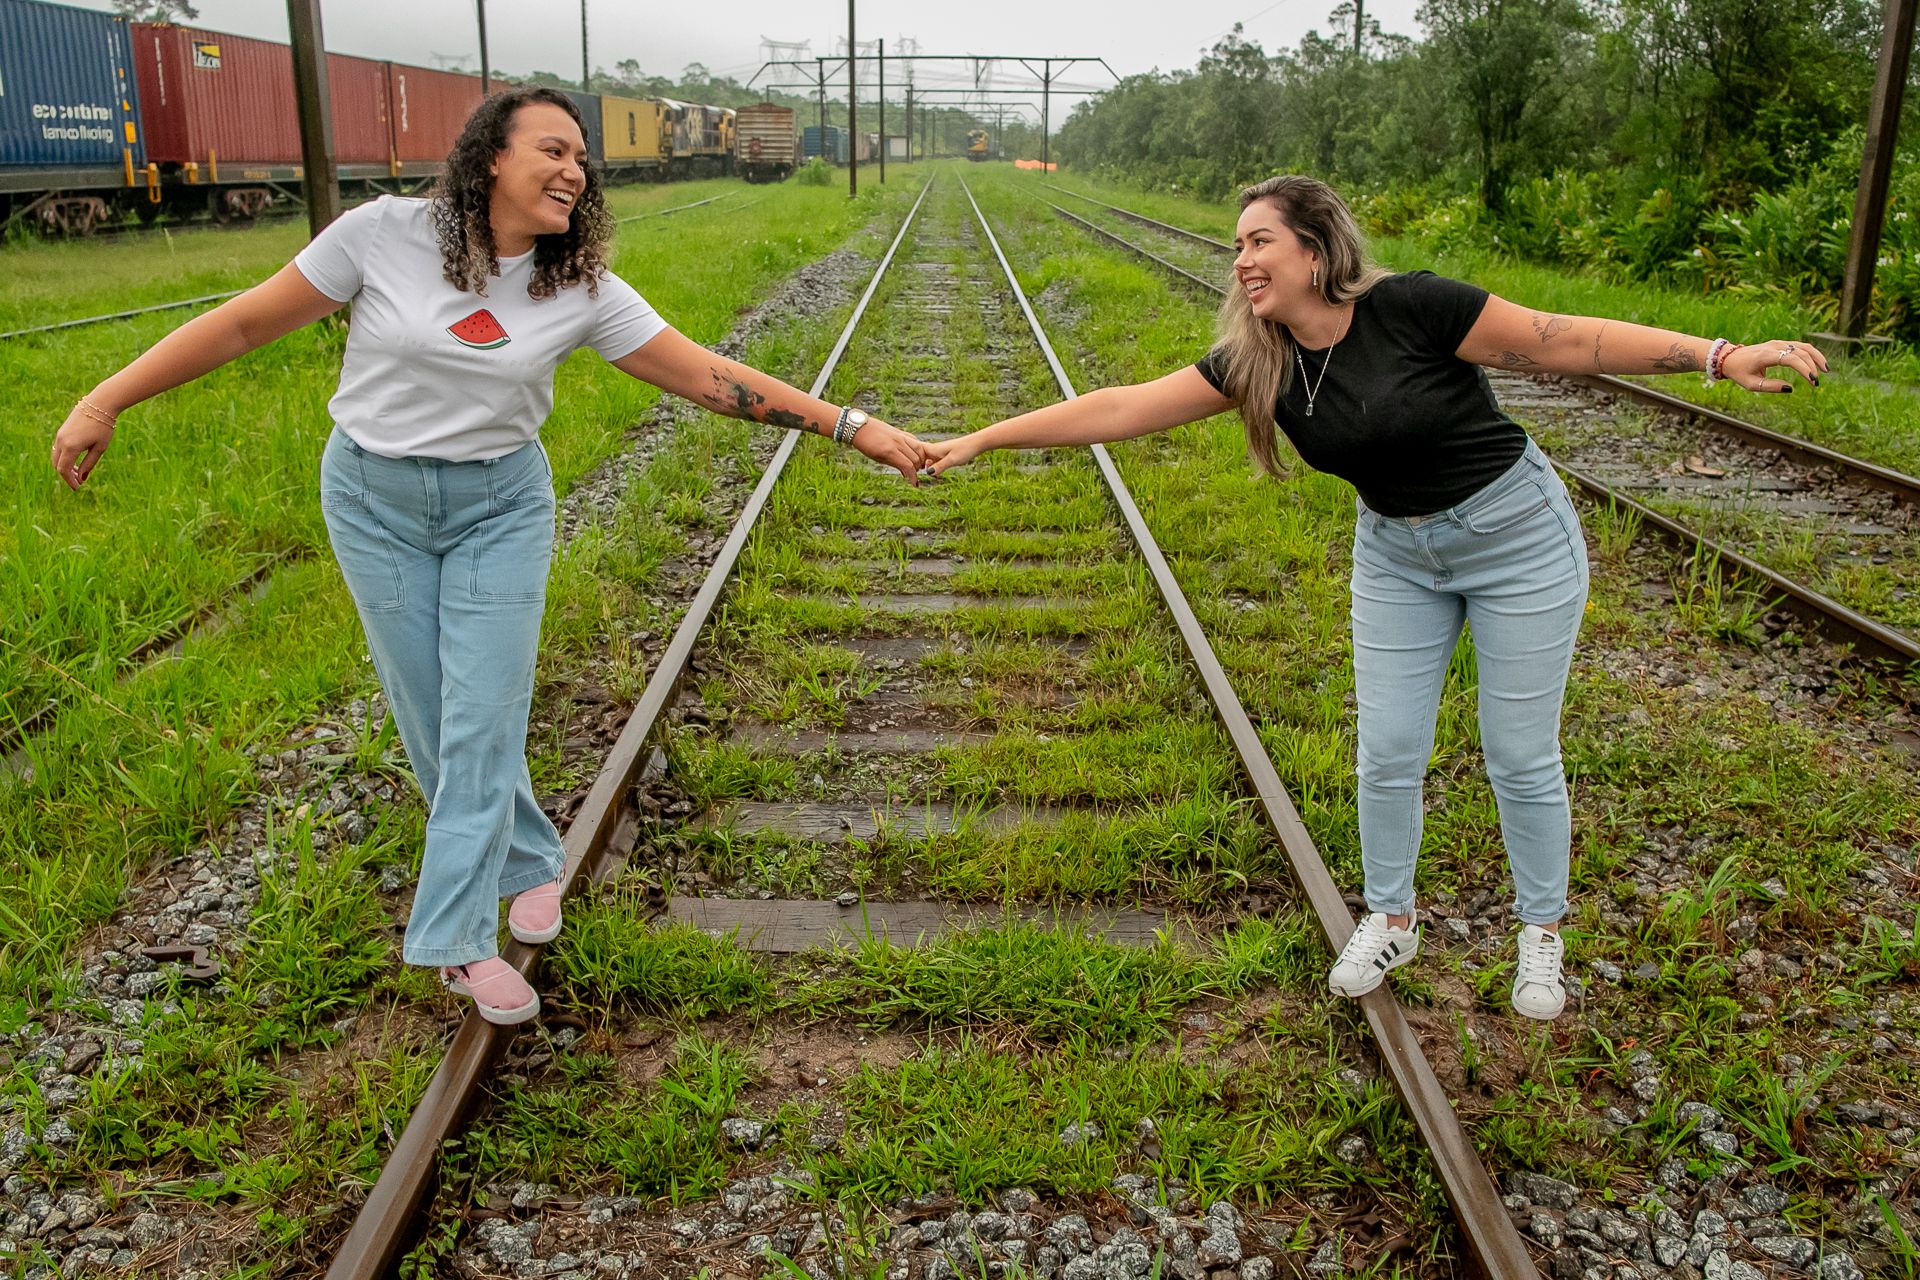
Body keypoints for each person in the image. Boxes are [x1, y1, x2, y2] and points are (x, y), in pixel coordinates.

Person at [50, 87, 928, 1026]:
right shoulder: (378, 236)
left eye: (582, 160)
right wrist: (107, 398)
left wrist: (851, 426)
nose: (573, 171)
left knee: (486, 709)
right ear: (490, 159)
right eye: (553, 150)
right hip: (371, 500)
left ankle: (457, 941)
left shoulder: (580, 285)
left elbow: (712, 378)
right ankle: (523, 860)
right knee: (432, 713)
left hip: (499, 506)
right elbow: (242, 324)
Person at [923, 174, 1825, 1020]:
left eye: (1259, 239)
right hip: (1399, 554)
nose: (1241, 260)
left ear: (1315, 251)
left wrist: (1716, 354)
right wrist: (981, 440)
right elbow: (1119, 408)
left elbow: (1563, 339)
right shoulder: (1259, 359)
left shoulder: (1413, 308)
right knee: (1387, 749)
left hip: (1518, 542)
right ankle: (1392, 920)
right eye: (1236, 244)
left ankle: (1540, 933)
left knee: (1517, 751)